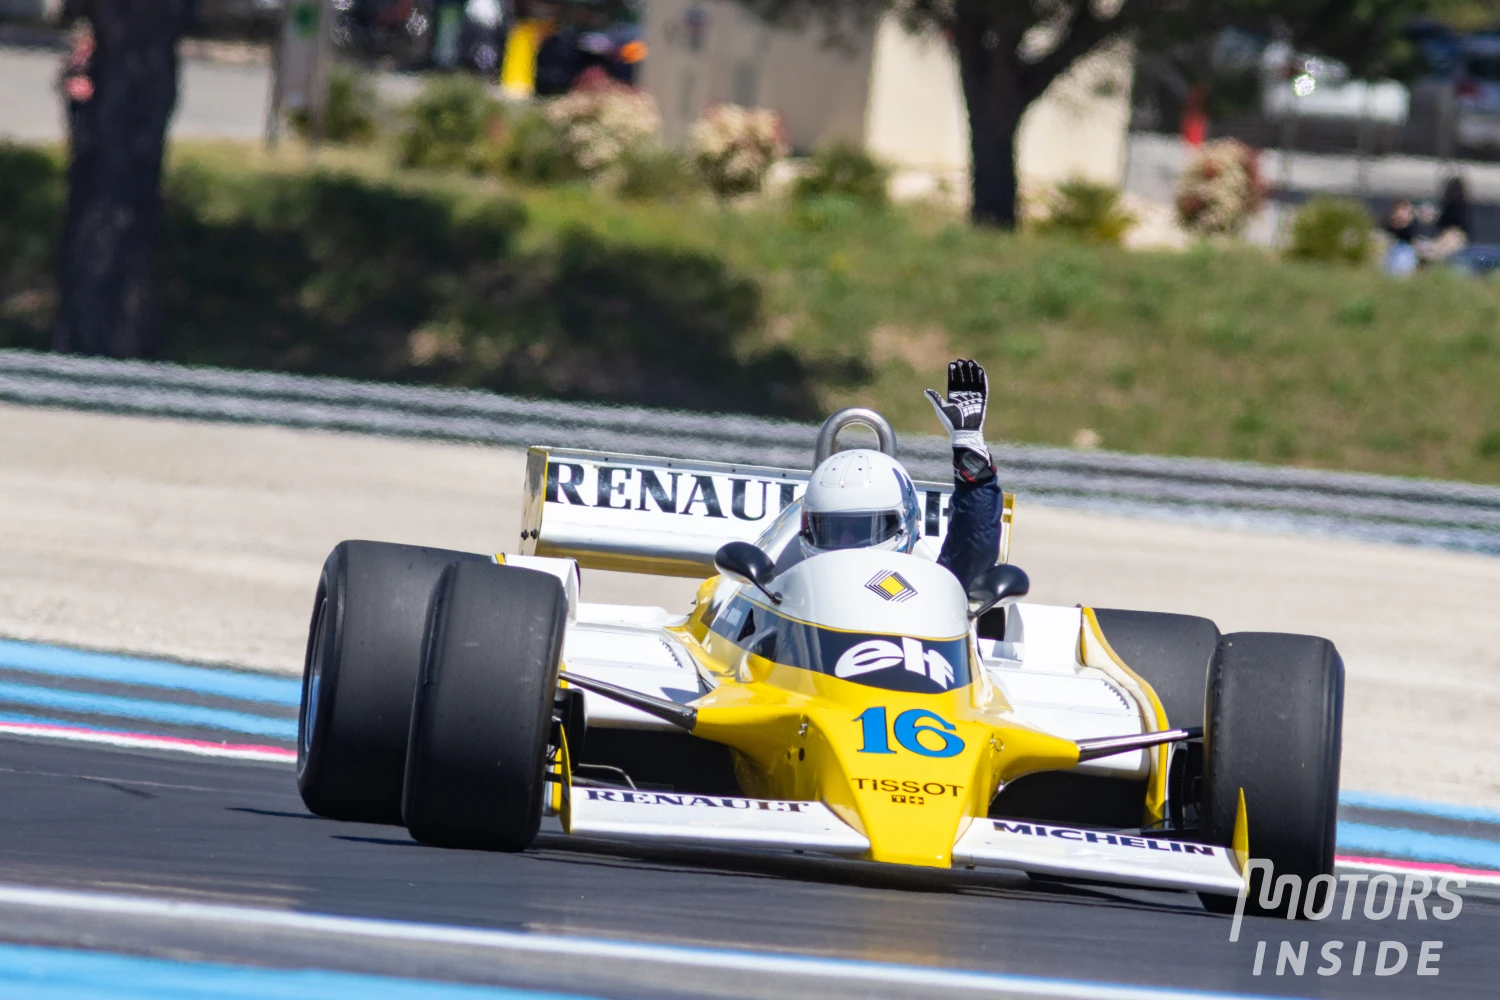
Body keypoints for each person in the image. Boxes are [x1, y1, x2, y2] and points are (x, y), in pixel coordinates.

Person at [777, 359, 1003, 594]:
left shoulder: (929, 590)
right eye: (831, 530)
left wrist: (969, 451)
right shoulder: (783, 587)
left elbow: (973, 546)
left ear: (904, 523)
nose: (845, 543)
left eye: (860, 530)